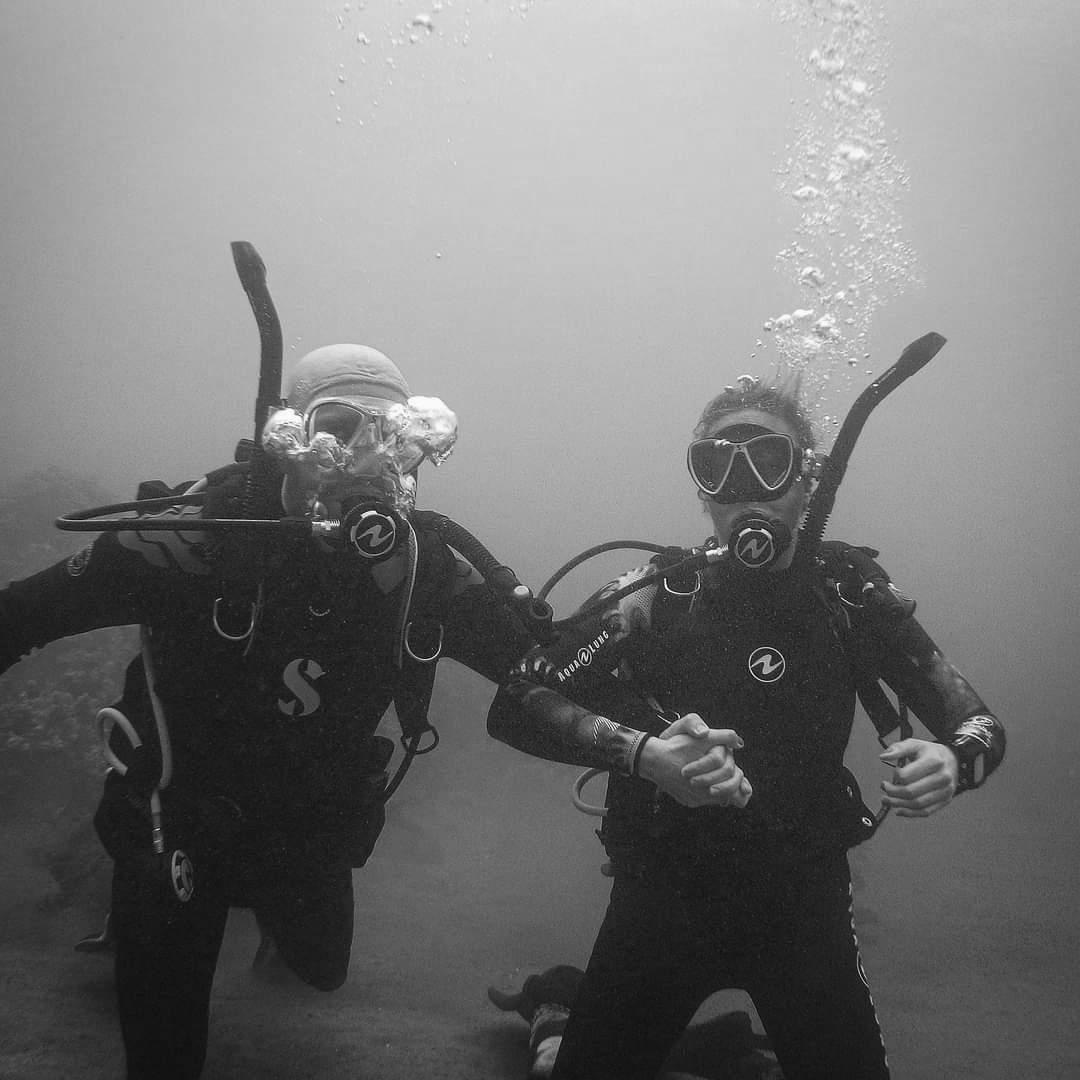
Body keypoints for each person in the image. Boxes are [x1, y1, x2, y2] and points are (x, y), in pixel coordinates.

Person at [0, 343, 534, 1080]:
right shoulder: (197, 539)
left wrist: (629, 670)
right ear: (289, 434)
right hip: (178, 811)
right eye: (339, 426)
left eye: (390, 432)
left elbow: (534, 666)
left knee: (321, 968)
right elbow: (22, 616)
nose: (363, 454)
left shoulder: (420, 567)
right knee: (163, 1029)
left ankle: (258, 927)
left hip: (303, 824)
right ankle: (118, 892)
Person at [486, 371, 1005, 1080]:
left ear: (808, 482)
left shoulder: (849, 595)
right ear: (701, 492)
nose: (745, 491)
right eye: (717, 470)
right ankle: (559, 1018)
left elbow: (975, 723)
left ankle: (644, 1035)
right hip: (660, 900)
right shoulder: (658, 596)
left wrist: (952, 762)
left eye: (769, 462)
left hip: (801, 903)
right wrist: (645, 755)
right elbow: (517, 700)